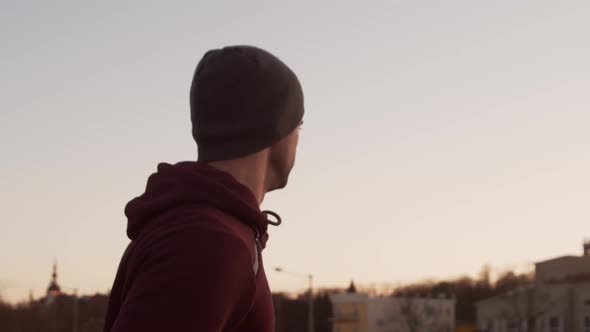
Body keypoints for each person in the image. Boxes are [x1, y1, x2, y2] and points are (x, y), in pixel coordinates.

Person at [103, 45, 304, 331]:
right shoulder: (210, 243)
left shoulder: (208, 230)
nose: (298, 140)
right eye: (299, 125)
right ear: (278, 127)